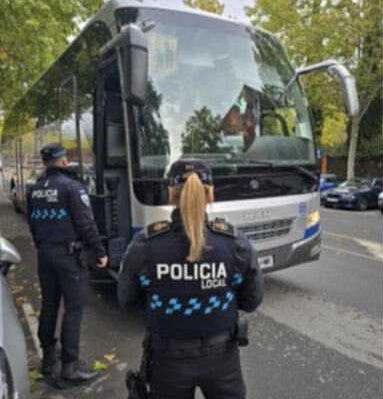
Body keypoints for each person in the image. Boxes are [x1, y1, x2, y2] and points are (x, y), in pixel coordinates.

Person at [118, 158, 263, 399]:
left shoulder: (146, 244)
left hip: (166, 359)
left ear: (170, 195)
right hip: (222, 358)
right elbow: (252, 300)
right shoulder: (235, 243)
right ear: (209, 195)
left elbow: (127, 301)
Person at [25, 142, 108, 387]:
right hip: (69, 257)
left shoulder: (34, 190)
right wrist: (99, 251)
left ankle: (49, 358)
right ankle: (70, 367)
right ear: (63, 161)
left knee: (49, 304)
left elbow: (32, 225)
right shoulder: (72, 188)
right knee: (74, 309)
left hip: (45, 254)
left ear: (44, 163)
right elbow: (86, 224)